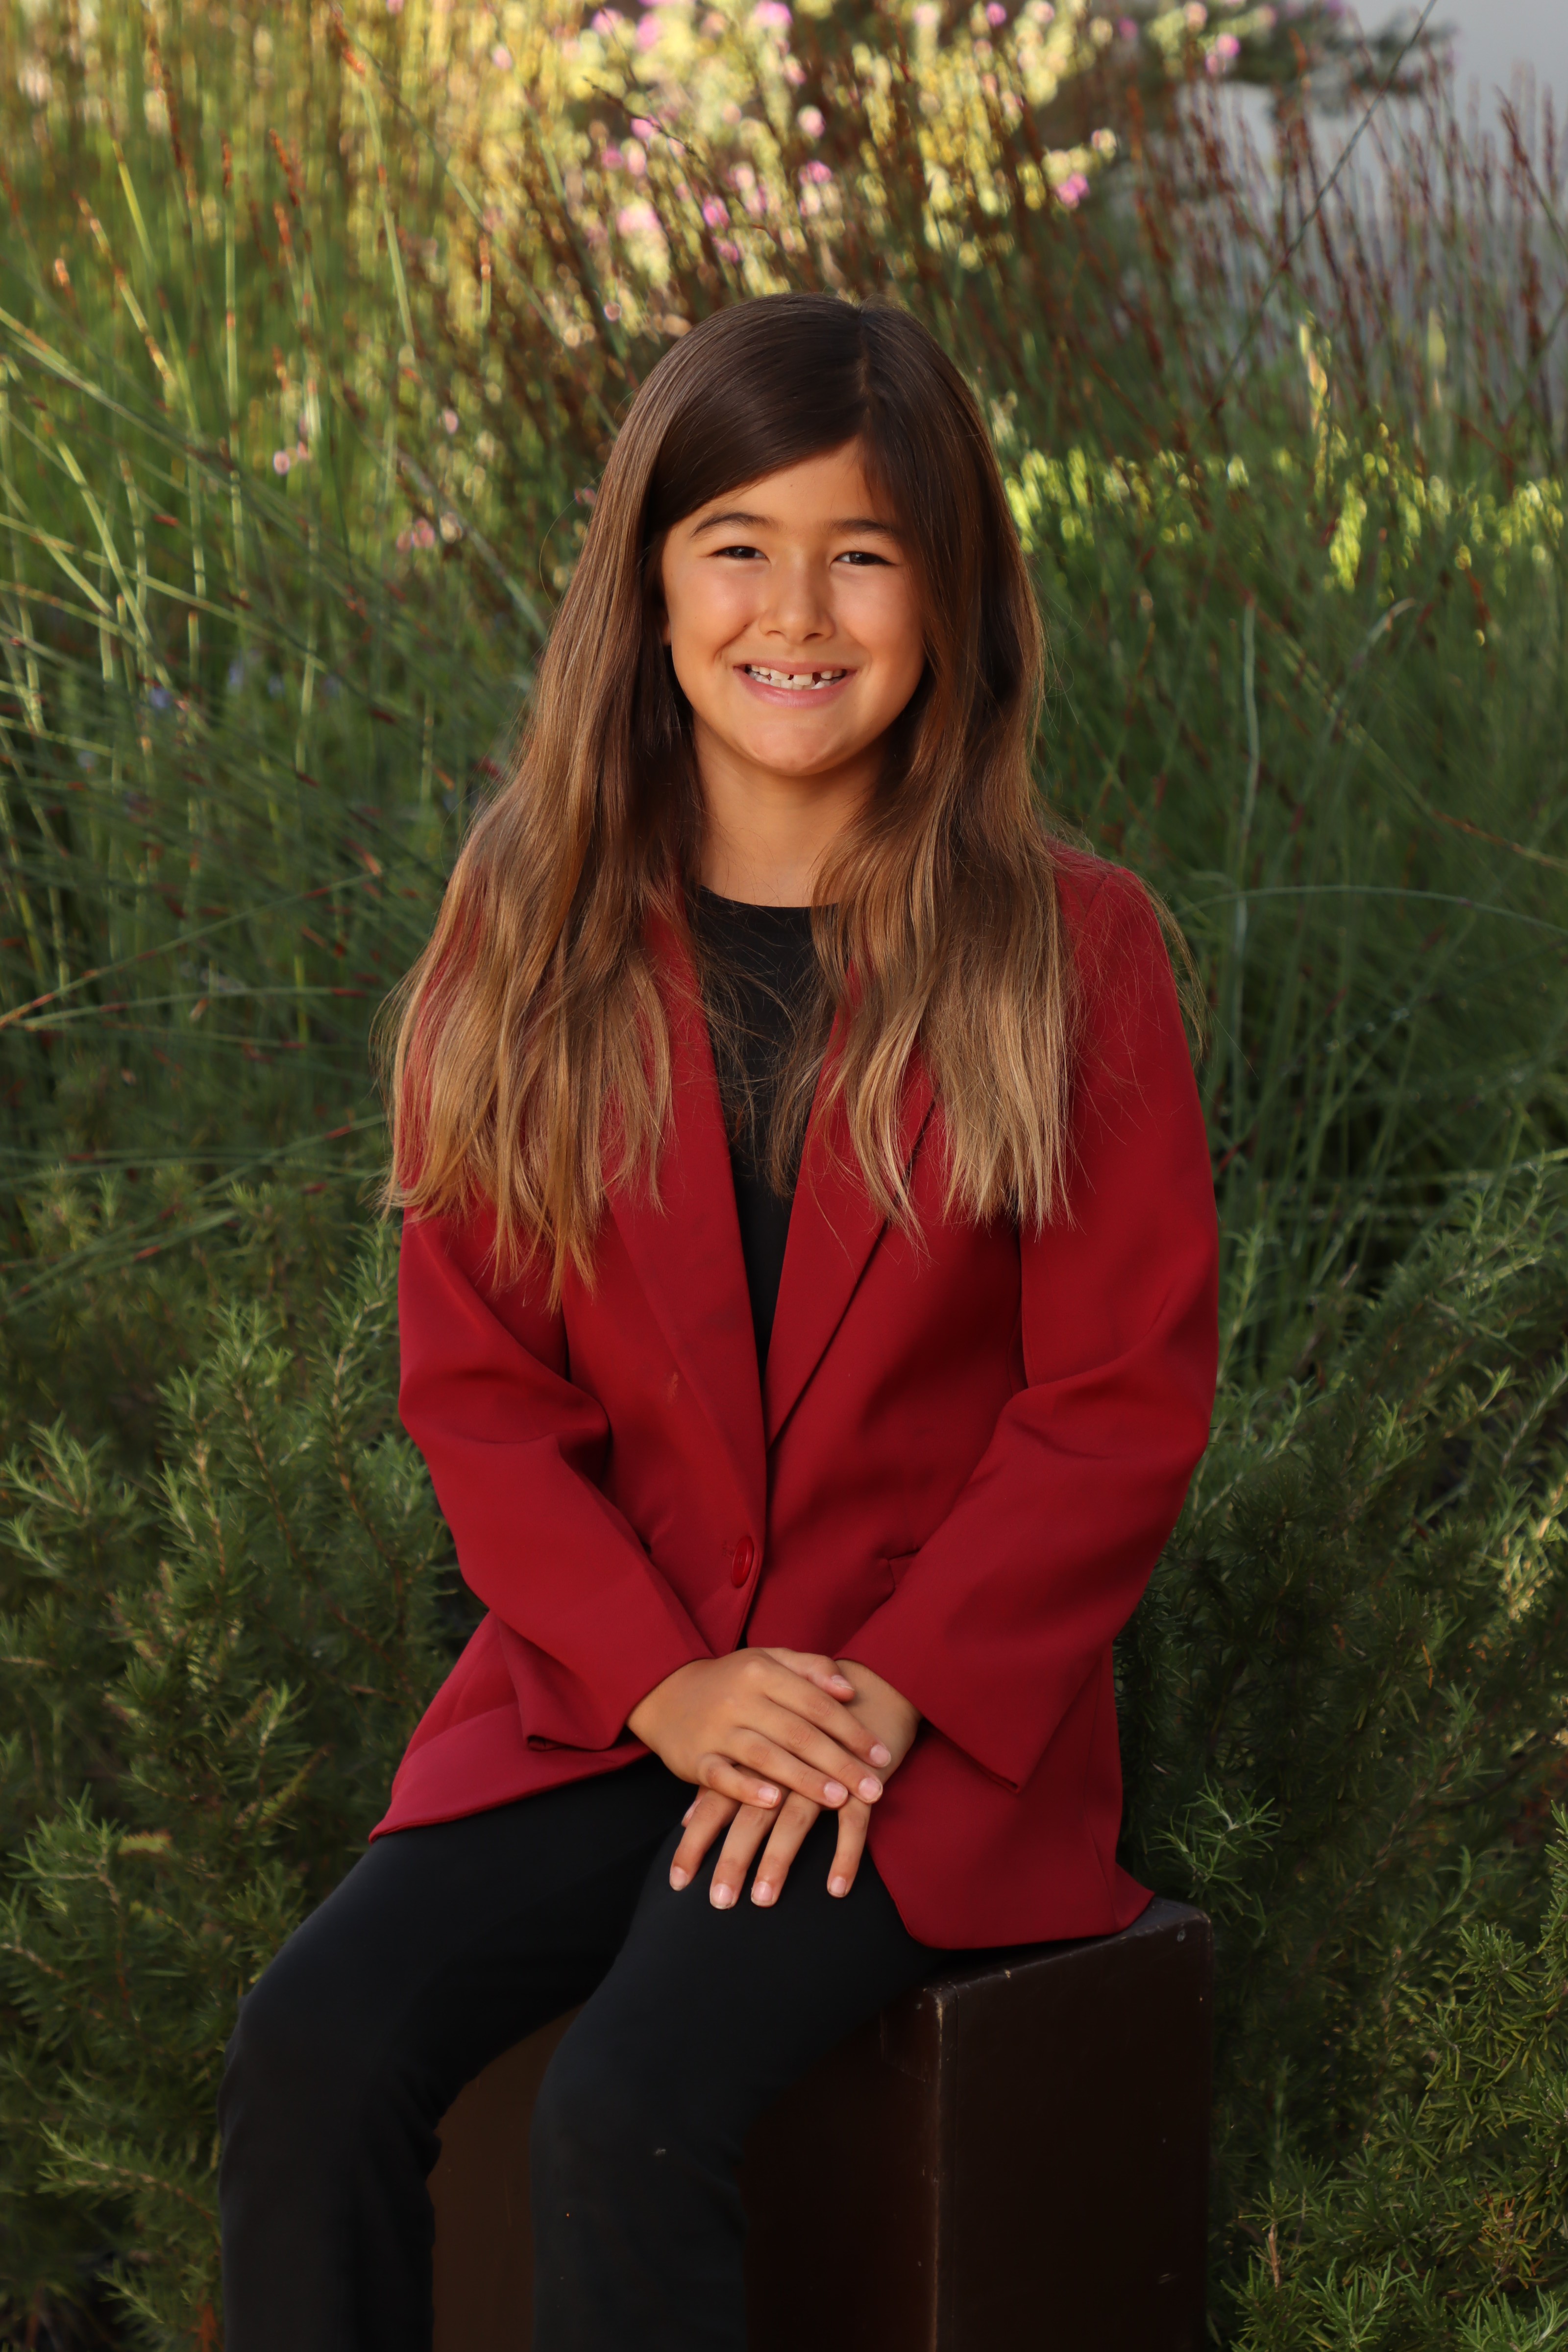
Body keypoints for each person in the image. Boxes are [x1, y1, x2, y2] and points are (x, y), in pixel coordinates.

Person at [218, 292, 1219, 2352]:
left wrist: (889, 1693)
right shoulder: (531, 921)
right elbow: (478, 1388)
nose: (798, 610)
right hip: (612, 1690)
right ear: (649, 584)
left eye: (865, 554)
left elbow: (1115, 1405)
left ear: (952, 598)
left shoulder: (1070, 949)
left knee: (630, 2106)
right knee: (313, 2039)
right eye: (736, 544)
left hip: (910, 1735)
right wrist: (665, 1682)